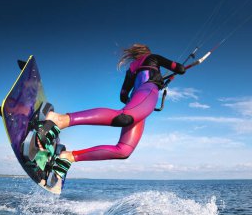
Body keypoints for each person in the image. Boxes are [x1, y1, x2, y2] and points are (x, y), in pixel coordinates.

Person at [37, 44, 185, 193]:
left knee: (124, 151)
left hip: (137, 100)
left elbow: (123, 95)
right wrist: (169, 75)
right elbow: (179, 68)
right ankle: (60, 119)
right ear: (147, 52)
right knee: (125, 117)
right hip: (148, 92)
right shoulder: (154, 58)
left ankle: (68, 157)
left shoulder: (132, 68)